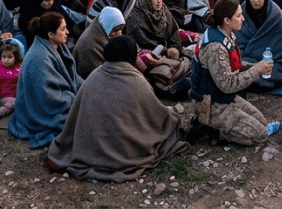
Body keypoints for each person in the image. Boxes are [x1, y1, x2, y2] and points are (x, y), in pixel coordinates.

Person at [46, 35, 189, 181]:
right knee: (169, 126)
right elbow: (156, 116)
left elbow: (75, 118)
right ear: (130, 55)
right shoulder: (136, 81)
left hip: (91, 148)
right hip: (125, 150)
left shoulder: (94, 76)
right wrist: (174, 120)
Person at [190, 0, 278, 145]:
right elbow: (227, 84)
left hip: (224, 97)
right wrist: (256, 71)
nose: (242, 18)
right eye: (238, 15)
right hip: (213, 104)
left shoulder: (224, 33)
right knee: (261, 135)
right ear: (227, 20)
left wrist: (253, 67)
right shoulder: (215, 47)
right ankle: (213, 129)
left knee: (262, 122)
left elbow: (231, 64)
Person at [9, 12, 84, 148]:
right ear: (50, 34)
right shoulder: (39, 58)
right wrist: (76, 101)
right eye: (62, 29)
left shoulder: (57, 47)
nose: (67, 32)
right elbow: (46, 95)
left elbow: (71, 76)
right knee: (82, 120)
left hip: (58, 99)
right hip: (39, 109)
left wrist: (86, 89)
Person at [234, 0, 282, 86]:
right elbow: (238, 40)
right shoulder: (243, 10)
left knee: (274, 73)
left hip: (272, 60)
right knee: (237, 66)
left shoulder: (276, 14)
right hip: (247, 58)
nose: (255, 0)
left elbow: (281, 46)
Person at [75, 6, 126, 79]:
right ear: (107, 26)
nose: (119, 33)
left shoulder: (103, 31)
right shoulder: (90, 46)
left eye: (121, 29)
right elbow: (95, 76)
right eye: (115, 30)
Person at [0, 39, 23, 119]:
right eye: (4, 57)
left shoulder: (19, 67)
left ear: (15, 58)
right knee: (13, 102)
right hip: (1, 98)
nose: (6, 60)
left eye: (10, 57)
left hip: (15, 94)